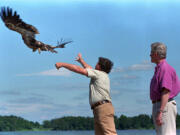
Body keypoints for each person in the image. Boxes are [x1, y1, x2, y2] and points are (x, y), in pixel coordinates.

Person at [55, 53, 117, 135]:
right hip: (99, 109)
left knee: (110, 133)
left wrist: (63, 64)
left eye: (97, 63)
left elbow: (79, 70)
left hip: (103, 108)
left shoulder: (99, 74)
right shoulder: (101, 75)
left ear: (100, 66)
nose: (96, 64)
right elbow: (89, 68)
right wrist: (81, 61)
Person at [150, 42, 180, 135]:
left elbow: (166, 91)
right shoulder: (160, 68)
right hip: (160, 105)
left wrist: (161, 111)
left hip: (164, 106)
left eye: (151, 52)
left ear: (155, 54)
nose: (149, 55)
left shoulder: (164, 68)